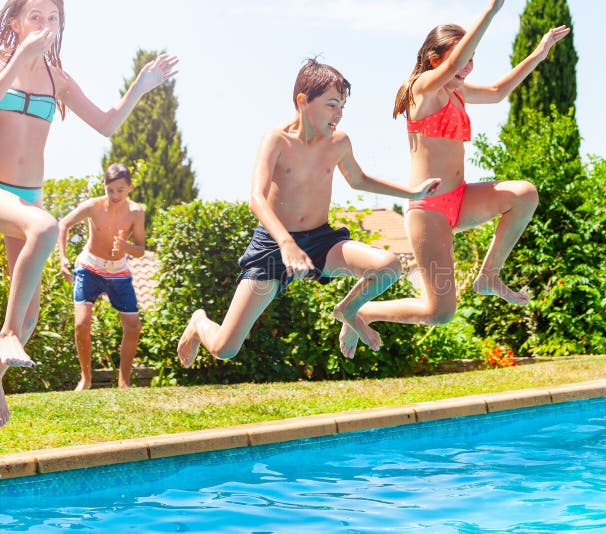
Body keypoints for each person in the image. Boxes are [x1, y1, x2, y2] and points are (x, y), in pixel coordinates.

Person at [339, 1, 570, 356]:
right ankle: (360, 310)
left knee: (524, 194)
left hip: (460, 200)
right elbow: (452, 65)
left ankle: (488, 276)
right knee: (440, 312)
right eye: (465, 57)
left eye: (474, 57)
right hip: (428, 210)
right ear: (436, 60)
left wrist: (539, 53)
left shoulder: (457, 93)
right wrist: (492, 12)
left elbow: (496, 92)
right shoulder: (422, 91)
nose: (469, 65)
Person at [176, 59, 440, 368]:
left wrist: (413, 193)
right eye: (331, 105)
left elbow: (359, 180)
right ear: (303, 101)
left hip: (321, 242)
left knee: (388, 266)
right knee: (225, 348)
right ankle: (198, 322)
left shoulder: (338, 143)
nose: (338, 113)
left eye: (342, 106)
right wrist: (287, 243)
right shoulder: (276, 140)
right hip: (273, 248)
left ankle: (347, 311)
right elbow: (256, 198)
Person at [0, 0, 177, 426]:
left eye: (53, 18)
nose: (44, 24)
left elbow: (107, 124)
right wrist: (19, 58)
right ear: (15, 21)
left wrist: (141, 85)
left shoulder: (56, 79)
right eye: (36, 16)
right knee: (46, 230)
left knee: (31, 314)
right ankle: (5, 336)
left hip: (28, 195)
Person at [57, 163, 145, 390]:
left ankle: (124, 382)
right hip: (89, 267)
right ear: (103, 187)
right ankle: (86, 379)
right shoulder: (92, 207)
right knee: (81, 323)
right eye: (110, 190)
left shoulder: (136, 212)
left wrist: (127, 246)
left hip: (118, 271)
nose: (115, 195)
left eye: (120, 190)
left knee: (134, 326)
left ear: (130, 188)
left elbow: (141, 249)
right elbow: (63, 224)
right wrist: (63, 258)